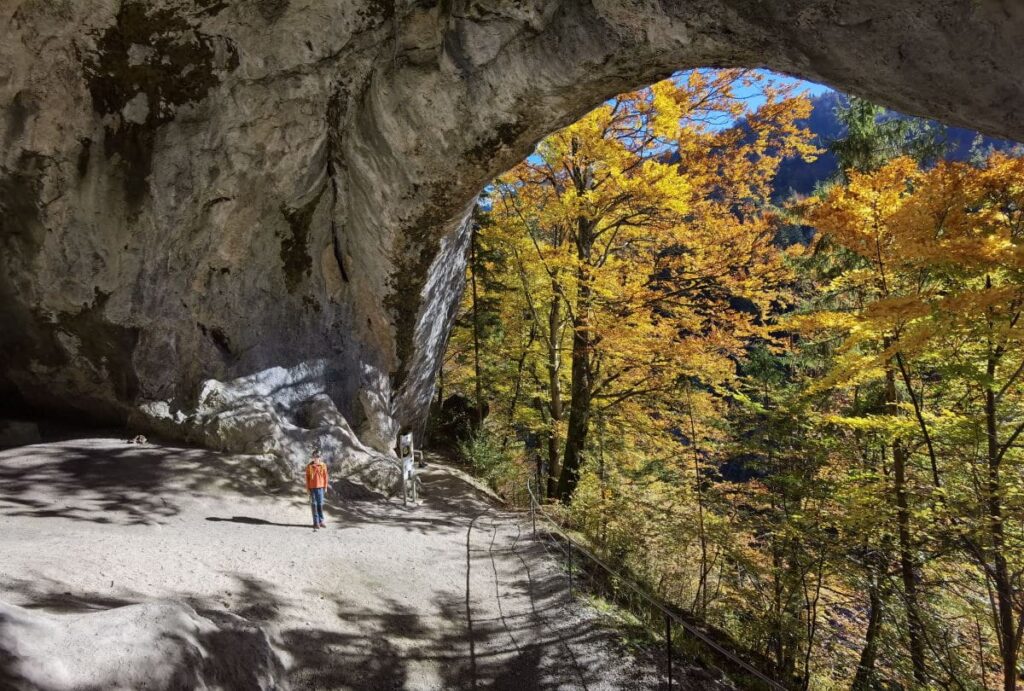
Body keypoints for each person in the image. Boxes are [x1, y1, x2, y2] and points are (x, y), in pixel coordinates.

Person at [305, 449, 329, 530]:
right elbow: (307, 478)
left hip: (321, 488)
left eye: (317, 456)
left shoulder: (323, 465)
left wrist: (325, 487)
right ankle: (316, 522)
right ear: (312, 457)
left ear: (320, 457)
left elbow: (326, 477)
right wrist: (308, 488)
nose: (316, 458)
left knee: (320, 504)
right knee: (314, 505)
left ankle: (321, 521)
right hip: (312, 488)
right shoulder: (309, 466)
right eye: (314, 456)